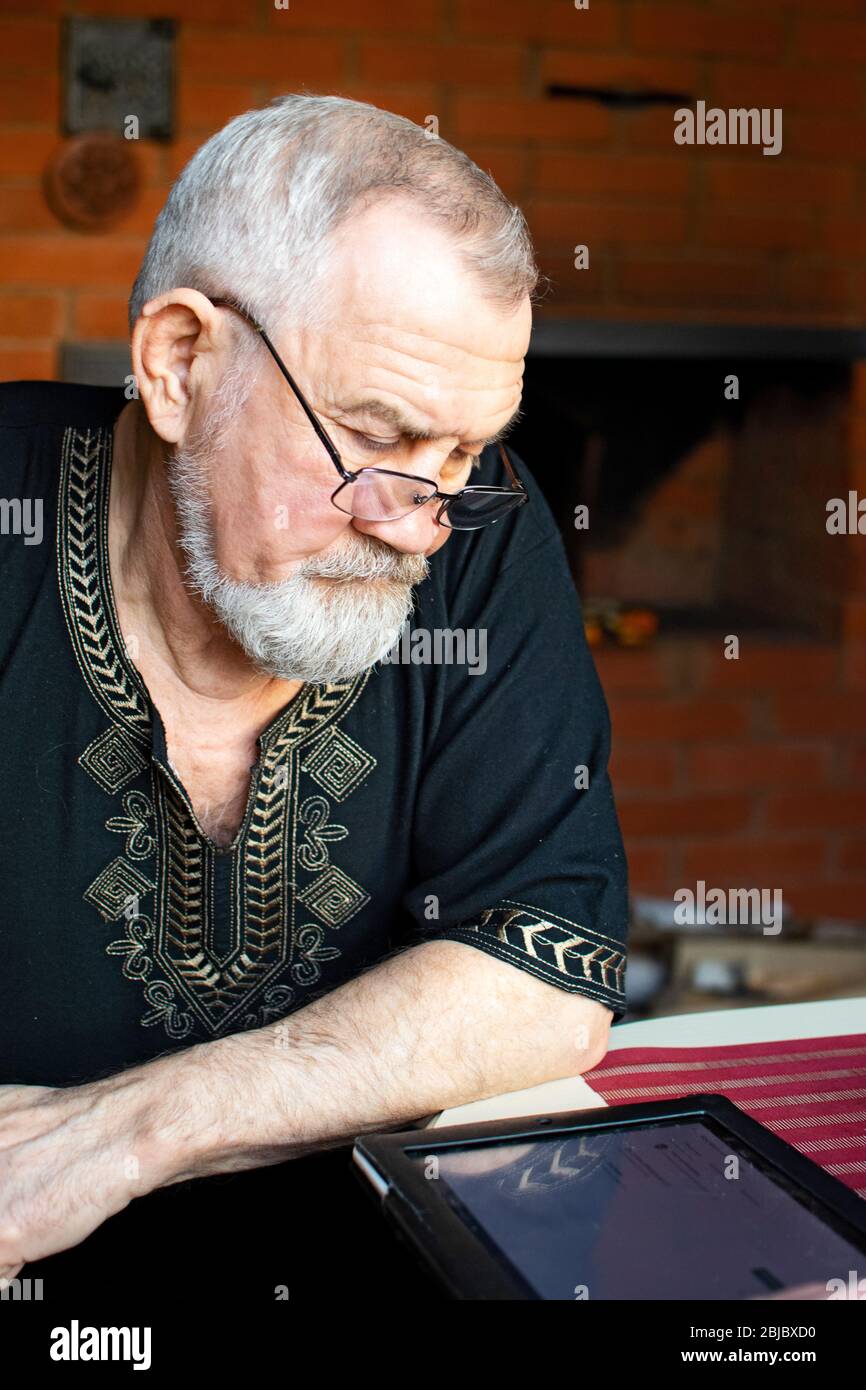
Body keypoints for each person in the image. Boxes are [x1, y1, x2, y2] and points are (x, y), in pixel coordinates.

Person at [0, 94, 628, 1282]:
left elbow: (545, 975)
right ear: (180, 363)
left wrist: (128, 1131)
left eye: (463, 454)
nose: (422, 531)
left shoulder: (480, 533)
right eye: (378, 438)